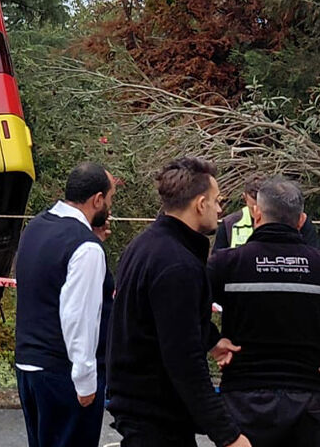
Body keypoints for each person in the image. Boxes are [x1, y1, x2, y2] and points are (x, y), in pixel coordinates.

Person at [208, 178, 320, 447]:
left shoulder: (227, 264)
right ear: (302, 220)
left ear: (257, 214)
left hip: (244, 408)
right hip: (307, 409)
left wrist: (212, 341)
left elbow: (182, 309)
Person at [108, 156, 249, 447]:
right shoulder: (177, 265)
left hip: (140, 406)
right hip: (156, 414)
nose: (220, 210)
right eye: (216, 201)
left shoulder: (145, 245)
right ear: (200, 204)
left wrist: (211, 339)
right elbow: (184, 360)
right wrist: (228, 436)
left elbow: (162, 319)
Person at [14, 162, 115, 447]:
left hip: (29, 364)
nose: (110, 207)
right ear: (97, 199)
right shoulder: (85, 247)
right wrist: (85, 379)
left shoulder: (37, 226)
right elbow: (78, 317)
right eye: (110, 199)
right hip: (63, 373)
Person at [214, 174, 320, 251]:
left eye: (263, 207)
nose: (258, 212)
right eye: (253, 207)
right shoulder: (229, 224)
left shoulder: (297, 220)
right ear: (244, 197)